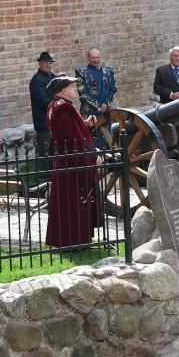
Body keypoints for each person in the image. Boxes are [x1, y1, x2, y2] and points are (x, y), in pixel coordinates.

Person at [45, 74, 101, 249]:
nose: (75, 90)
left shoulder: (54, 106)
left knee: (66, 202)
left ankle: (68, 241)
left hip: (64, 161)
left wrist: (85, 124)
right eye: (72, 87)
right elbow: (74, 139)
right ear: (64, 90)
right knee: (74, 202)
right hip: (72, 164)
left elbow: (69, 130)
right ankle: (75, 241)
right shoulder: (65, 109)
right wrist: (93, 155)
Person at [29, 52, 58, 183]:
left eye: (49, 63)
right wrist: (58, 106)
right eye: (45, 63)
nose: (47, 65)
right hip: (43, 122)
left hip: (54, 120)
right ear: (40, 64)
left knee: (53, 150)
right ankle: (42, 179)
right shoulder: (37, 80)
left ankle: (52, 176)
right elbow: (43, 100)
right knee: (43, 151)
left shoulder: (53, 78)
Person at [75, 48, 117, 120]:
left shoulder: (109, 71)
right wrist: (100, 105)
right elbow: (83, 94)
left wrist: (106, 104)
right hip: (89, 113)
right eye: (93, 58)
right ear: (88, 58)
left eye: (97, 57)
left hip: (106, 111)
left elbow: (113, 89)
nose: (96, 60)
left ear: (100, 57)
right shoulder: (81, 73)